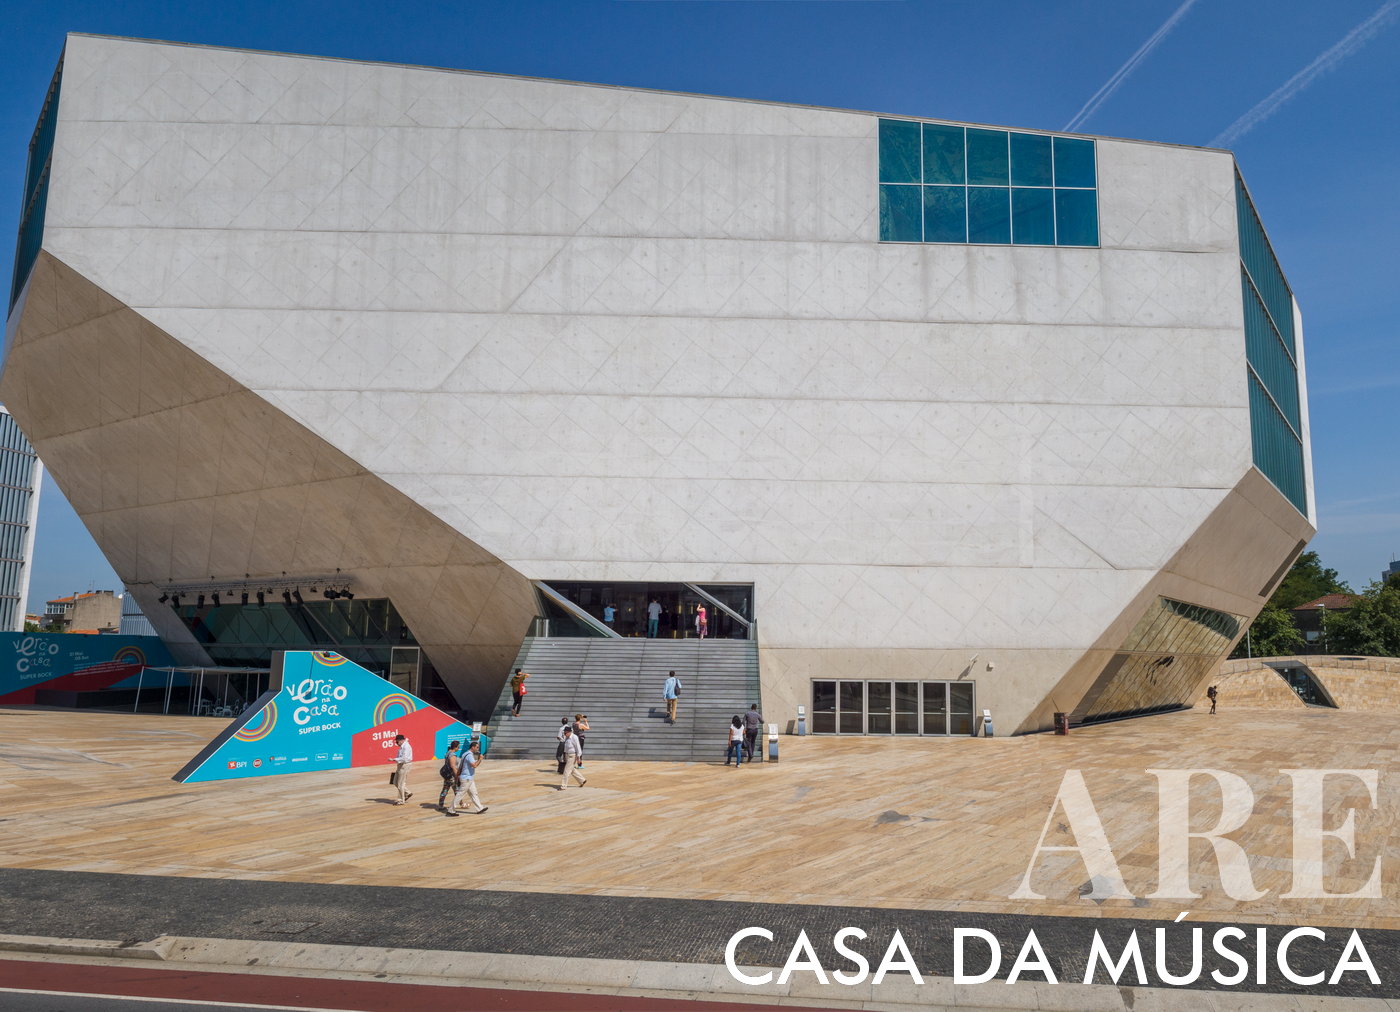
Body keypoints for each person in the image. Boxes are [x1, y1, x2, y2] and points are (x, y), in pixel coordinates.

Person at [457, 739, 489, 814]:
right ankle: (451, 809)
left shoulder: (465, 754)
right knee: (460, 794)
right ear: (473, 747)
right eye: (477, 747)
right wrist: (480, 759)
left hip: (469, 778)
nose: (478, 749)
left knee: (474, 793)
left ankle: (479, 808)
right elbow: (474, 765)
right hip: (466, 778)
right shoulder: (469, 755)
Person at [438, 740, 463, 816]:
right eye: (458, 747)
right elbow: (453, 766)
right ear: (455, 747)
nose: (459, 748)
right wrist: (457, 776)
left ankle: (440, 805)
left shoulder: (448, 752)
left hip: (447, 775)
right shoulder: (452, 755)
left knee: (445, 790)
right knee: (457, 791)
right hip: (451, 776)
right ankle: (461, 804)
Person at [559, 725, 587, 789]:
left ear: (569, 732)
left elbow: (578, 747)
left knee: (566, 771)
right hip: (567, 755)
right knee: (572, 770)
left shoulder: (574, 737)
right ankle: (582, 780)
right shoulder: (566, 737)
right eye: (564, 732)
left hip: (572, 756)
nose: (564, 734)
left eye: (565, 733)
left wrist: (578, 758)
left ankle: (563, 786)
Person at [389, 733, 413, 805]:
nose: (396, 743)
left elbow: (404, 758)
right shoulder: (402, 747)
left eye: (397, 741)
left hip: (404, 765)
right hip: (400, 765)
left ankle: (401, 800)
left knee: (400, 784)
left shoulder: (406, 747)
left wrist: (394, 759)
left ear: (401, 740)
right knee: (395, 782)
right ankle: (408, 793)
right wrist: (395, 760)